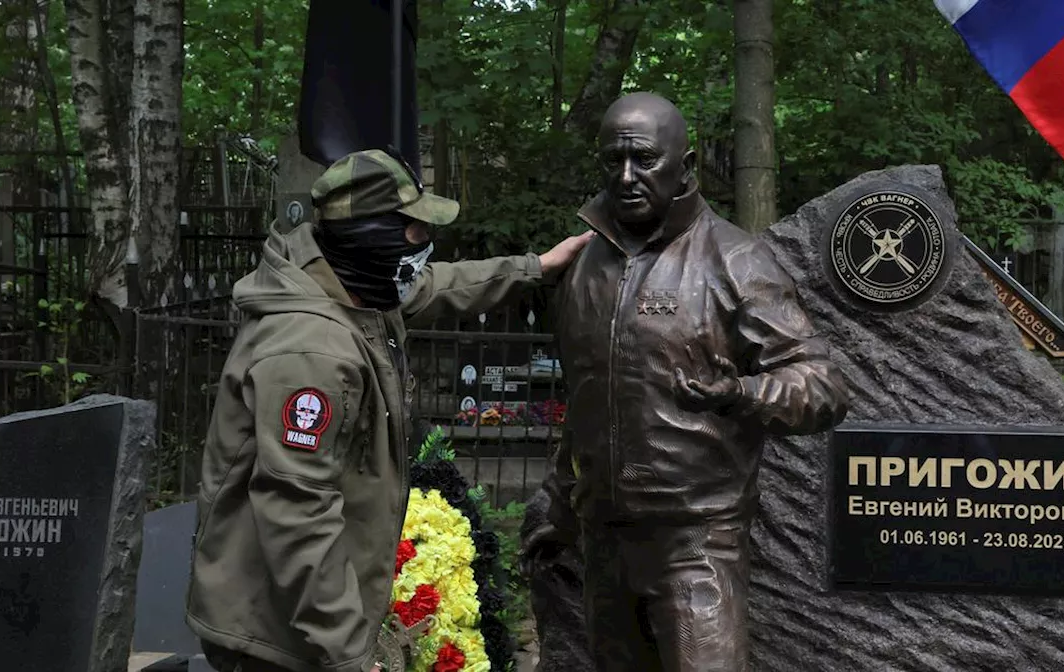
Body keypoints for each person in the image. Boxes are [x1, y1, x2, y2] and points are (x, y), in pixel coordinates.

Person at [185, 148, 593, 672]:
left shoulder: (347, 284)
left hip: (294, 620)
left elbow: (435, 286)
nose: (426, 244)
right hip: (271, 637)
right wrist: (347, 652)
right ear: (371, 235)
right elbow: (296, 511)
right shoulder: (312, 354)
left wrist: (535, 268)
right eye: (416, 231)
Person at [522, 92, 849, 672]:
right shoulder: (583, 267)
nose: (625, 177)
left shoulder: (736, 260)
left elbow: (823, 387)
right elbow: (588, 401)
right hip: (603, 540)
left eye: (644, 160)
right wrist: (560, 506)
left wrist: (744, 394)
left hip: (697, 543)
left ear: (685, 166)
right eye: (612, 161)